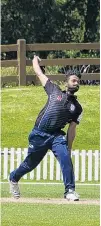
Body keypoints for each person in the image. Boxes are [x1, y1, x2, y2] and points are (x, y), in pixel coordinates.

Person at [9, 55, 83, 201]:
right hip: (39, 134)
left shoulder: (78, 108)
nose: (76, 83)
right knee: (29, 164)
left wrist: (68, 147)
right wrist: (35, 60)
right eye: (74, 80)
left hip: (57, 136)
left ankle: (70, 190)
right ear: (66, 82)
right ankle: (13, 178)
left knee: (65, 158)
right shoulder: (53, 90)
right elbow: (39, 73)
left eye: (78, 81)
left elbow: (72, 130)